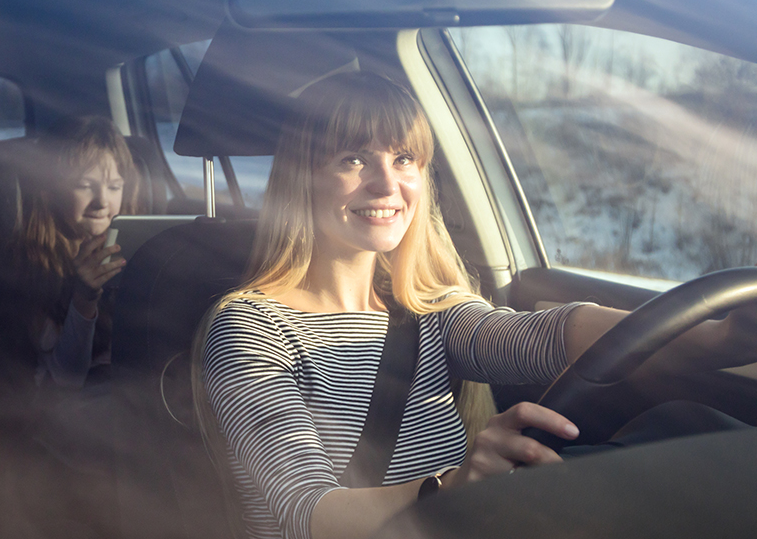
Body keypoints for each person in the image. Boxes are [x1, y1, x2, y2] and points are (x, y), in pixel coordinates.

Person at [191, 72, 757, 539]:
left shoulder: (426, 311)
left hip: (481, 523)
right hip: (448, 521)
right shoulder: (251, 325)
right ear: (301, 178)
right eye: (353, 159)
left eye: (405, 158)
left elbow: (552, 335)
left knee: (684, 426)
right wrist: (449, 488)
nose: (387, 185)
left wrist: (719, 338)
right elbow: (301, 512)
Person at [7, 115, 140, 389]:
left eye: (114, 187)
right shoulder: (32, 264)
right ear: (49, 191)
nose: (102, 201)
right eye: (83, 185)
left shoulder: (135, 247)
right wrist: (84, 298)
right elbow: (67, 380)